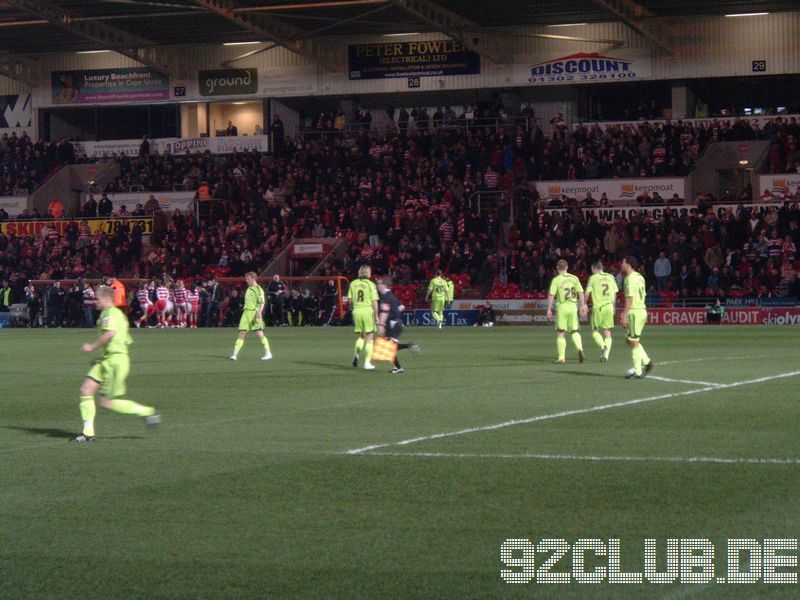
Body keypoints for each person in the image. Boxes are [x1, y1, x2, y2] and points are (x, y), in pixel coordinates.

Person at [72, 285, 160, 442]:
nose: (94, 301)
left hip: (115, 361)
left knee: (107, 402)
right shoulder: (112, 314)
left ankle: (147, 412)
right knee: (86, 390)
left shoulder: (111, 313)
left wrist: (92, 347)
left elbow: (110, 334)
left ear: (106, 299)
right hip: (107, 359)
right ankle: (88, 433)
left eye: (97, 298)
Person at [546, 259, 587, 364]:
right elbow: (581, 292)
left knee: (561, 333)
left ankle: (561, 358)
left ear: (557, 268)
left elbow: (551, 295)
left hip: (562, 307)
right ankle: (579, 348)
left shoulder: (556, 280)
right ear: (567, 267)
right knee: (574, 331)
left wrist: (549, 309)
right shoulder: (574, 278)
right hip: (573, 306)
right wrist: (582, 305)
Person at [376, 278, 420, 374]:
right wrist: (395, 312)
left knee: (389, 348)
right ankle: (400, 364)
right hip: (398, 323)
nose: (377, 286)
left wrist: (381, 324)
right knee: (390, 347)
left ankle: (408, 349)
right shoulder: (392, 296)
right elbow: (401, 307)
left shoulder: (386, 297)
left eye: (379, 284)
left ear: (384, 285)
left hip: (392, 324)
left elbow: (385, 311)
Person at [620, 256, 653, 379]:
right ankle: (647, 362)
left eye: (623, 262)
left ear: (628, 264)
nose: (621, 264)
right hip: (641, 310)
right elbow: (642, 295)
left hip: (634, 312)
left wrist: (624, 315)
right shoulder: (640, 277)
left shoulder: (629, 279)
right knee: (631, 340)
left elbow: (629, 298)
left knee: (633, 341)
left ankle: (638, 372)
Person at [229, 272, 272, 361]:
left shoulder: (258, 289)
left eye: (248, 279)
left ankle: (268, 353)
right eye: (246, 279)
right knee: (242, 333)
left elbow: (262, 302)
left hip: (254, 313)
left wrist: (259, 312)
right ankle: (234, 354)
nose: (246, 280)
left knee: (259, 333)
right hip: (246, 313)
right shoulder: (248, 288)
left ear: (253, 278)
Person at [585, 261, 618, 363]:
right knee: (607, 333)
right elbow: (615, 293)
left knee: (595, 331)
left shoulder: (593, 278)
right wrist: (613, 306)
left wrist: (584, 304)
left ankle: (603, 346)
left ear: (595, 269)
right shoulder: (611, 277)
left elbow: (587, 293)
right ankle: (605, 356)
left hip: (598, 308)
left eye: (592, 270)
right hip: (609, 307)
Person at [347, 265, 379, 370]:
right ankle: (367, 363)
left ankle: (356, 355)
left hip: (357, 310)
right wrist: (376, 316)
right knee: (369, 337)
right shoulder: (371, 285)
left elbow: (350, 301)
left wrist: (353, 310)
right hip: (367, 311)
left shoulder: (353, 283)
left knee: (361, 337)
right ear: (368, 273)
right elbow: (374, 302)